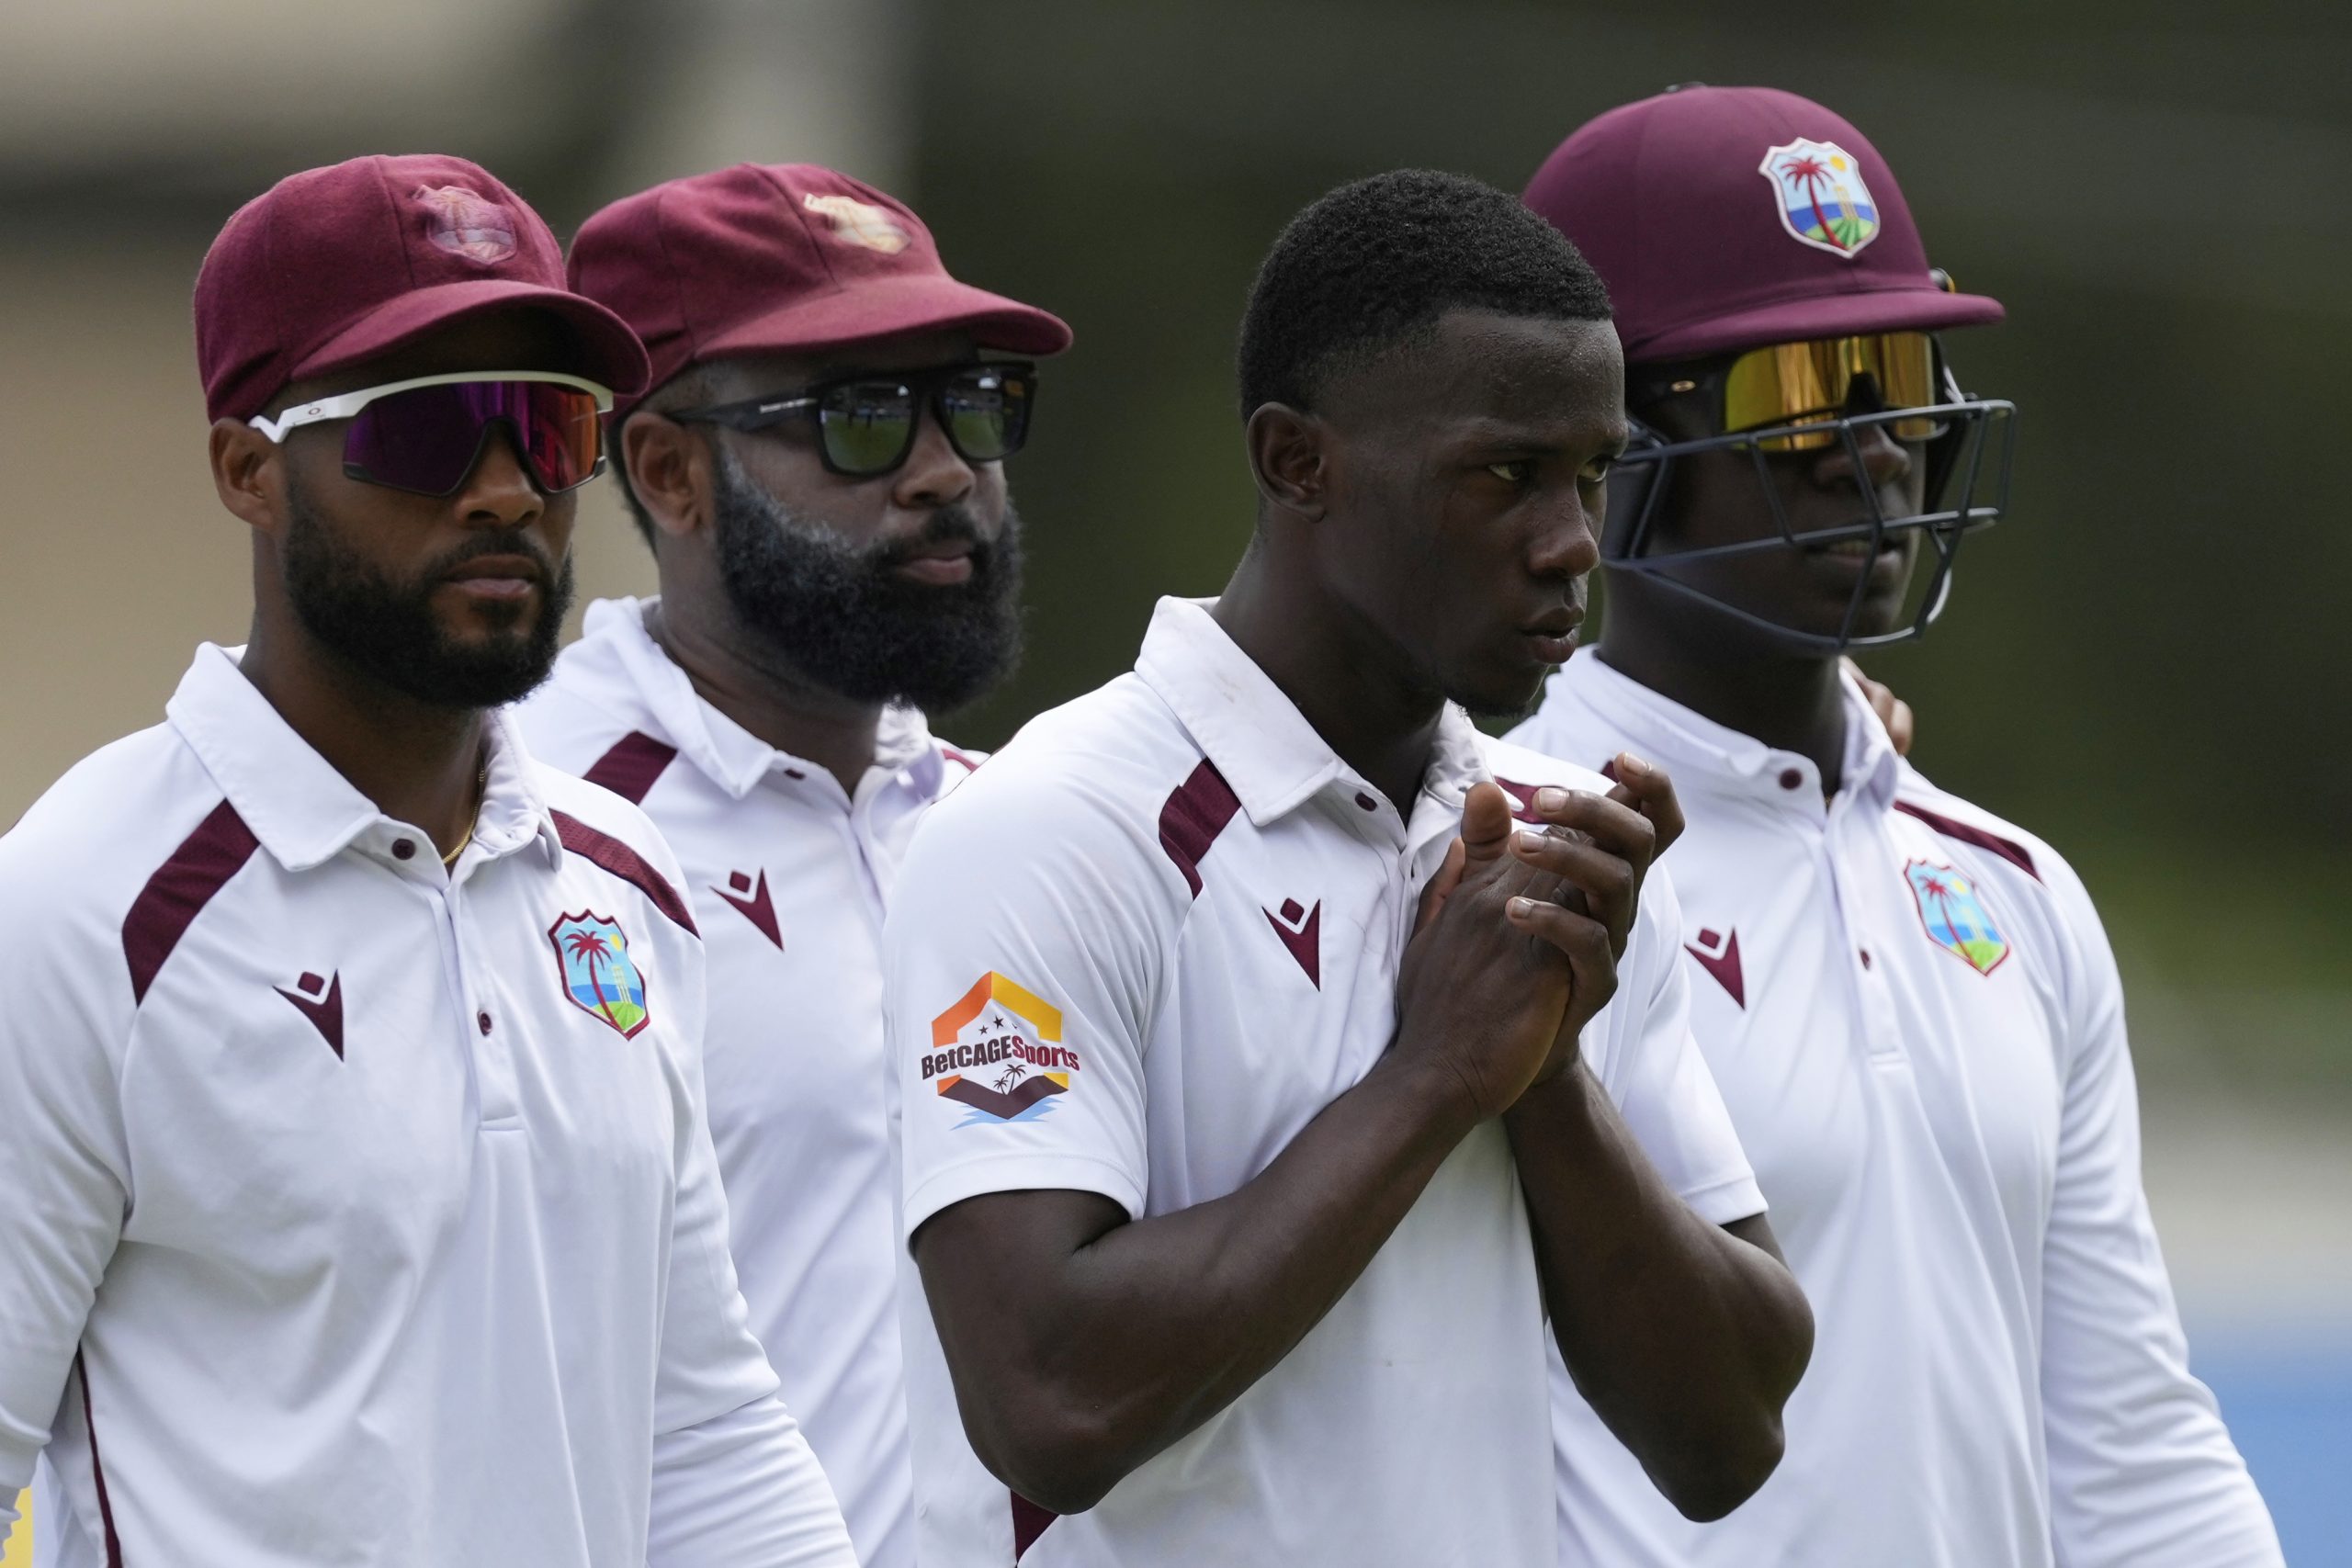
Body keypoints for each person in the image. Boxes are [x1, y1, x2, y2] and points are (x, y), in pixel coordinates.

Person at [883, 169, 1815, 1567]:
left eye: (1592, 473)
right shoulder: (1051, 830)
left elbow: (1730, 1434)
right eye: (1503, 473)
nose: (1573, 543)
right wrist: (1434, 1079)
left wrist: (1545, 1074)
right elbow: (1048, 1405)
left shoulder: (1555, 846)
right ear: (1297, 462)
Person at [0, 155, 857, 1568]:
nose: (509, 490)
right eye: (428, 431)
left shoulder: (625, 885)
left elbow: (700, 1432)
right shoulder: (78, 914)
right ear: (248, 472)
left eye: (548, 425)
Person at [1510, 85, 2282, 1567]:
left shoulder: (2021, 890)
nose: (1874, 448)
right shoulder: (1496, 861)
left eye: (1898, 372)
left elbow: (2127, 1440)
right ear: (1605, 447)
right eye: (1794, 391)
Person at [521, 162, 1069, 1568]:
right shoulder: (525, 835)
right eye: (863, 416)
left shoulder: (1022, 824)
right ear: (663, 470)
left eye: (975, 404)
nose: (946, 472)